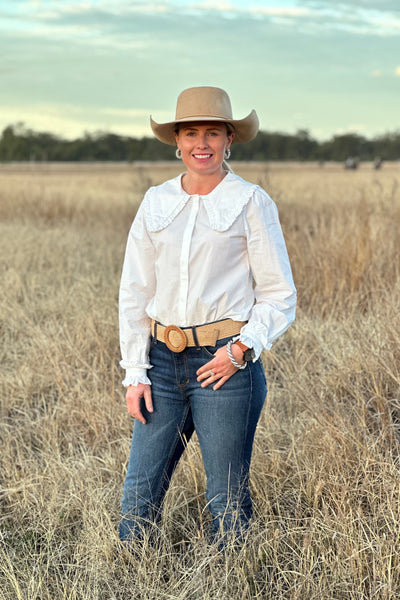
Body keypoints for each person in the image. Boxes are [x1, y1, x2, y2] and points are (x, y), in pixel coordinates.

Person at [118, 86, 296, 546]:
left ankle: (232, 581)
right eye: (191, 132)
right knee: (137, 499)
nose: (202, 143)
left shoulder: (251, 202)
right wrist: (135, 372)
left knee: (226, 502)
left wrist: (239, 351)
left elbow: (279, 294)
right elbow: (135, 291)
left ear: (229, 139)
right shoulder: (155, 201)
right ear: (176, 141)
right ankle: (130, 581)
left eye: (213, 132)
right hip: (160, 364)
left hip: (225, 367)